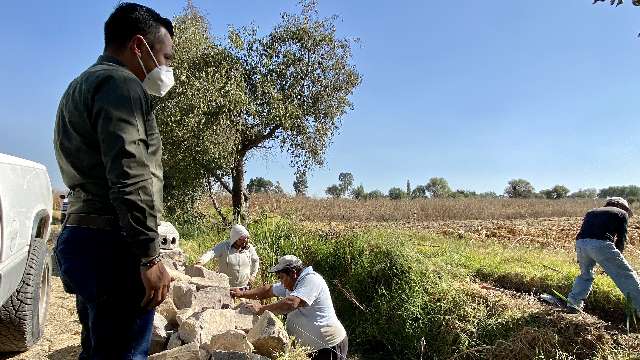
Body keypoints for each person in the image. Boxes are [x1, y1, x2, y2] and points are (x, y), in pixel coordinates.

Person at [53, 3, 174, 358]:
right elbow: (130, 174)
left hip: (83, 234)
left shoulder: (81, 84)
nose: (166, 68)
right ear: (139, 46)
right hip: (112, 245)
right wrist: (149, 257)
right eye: (165, 57)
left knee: (96, 349)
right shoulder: (122, 85)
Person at [231, 255, 348, 360]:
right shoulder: (292, 284)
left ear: (293, 273)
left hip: (328, 346)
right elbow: (268, 290)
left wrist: (261, 309)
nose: (281, 283)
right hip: (310, 348)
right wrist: (242, 293)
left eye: (281, 277)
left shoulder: (311, 280)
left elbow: (291, 303)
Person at [566, 197, 640, 314]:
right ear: (623, 207)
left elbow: (584, 232)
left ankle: (573, 304)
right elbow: (621, 240)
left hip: (581, 244)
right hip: (601, 243)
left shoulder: (591, 212)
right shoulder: (622, 213)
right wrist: (616, 260)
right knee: (626, 276)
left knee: (585, 275)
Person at [196, 224, 259, 289]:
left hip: (244, 287)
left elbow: (255, 260)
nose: (245, 242)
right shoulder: (224, 246)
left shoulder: (249, 248)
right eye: (241, 240)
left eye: (246, 239)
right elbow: (211, 253)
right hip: (226, 287)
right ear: (235, 239)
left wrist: (253, 275)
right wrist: (201, 262)